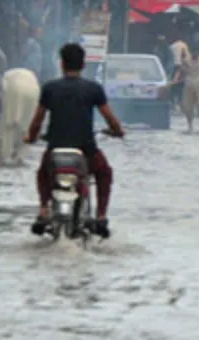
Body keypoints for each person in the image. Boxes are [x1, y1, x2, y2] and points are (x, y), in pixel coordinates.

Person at [25, 43, 125, 237]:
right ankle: (102, 216)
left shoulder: (50, 88)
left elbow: (37, 121)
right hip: (86, 152)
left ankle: (44, 210)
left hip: (55, 151)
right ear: (83, 65)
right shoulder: (93, 89)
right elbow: (110, 118)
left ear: (61, 64)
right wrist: (117, 131)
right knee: (104, 173)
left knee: (43, 173)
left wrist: (30, 137)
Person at [176, 43, 199, 134]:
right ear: (191, 52)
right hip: (189, 84)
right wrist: (177, 79)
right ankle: (190, 127)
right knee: (188, 107)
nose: (195, 53)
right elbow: (182, 71)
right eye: (194, 51)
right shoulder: (186, 60)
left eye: (197, 51)